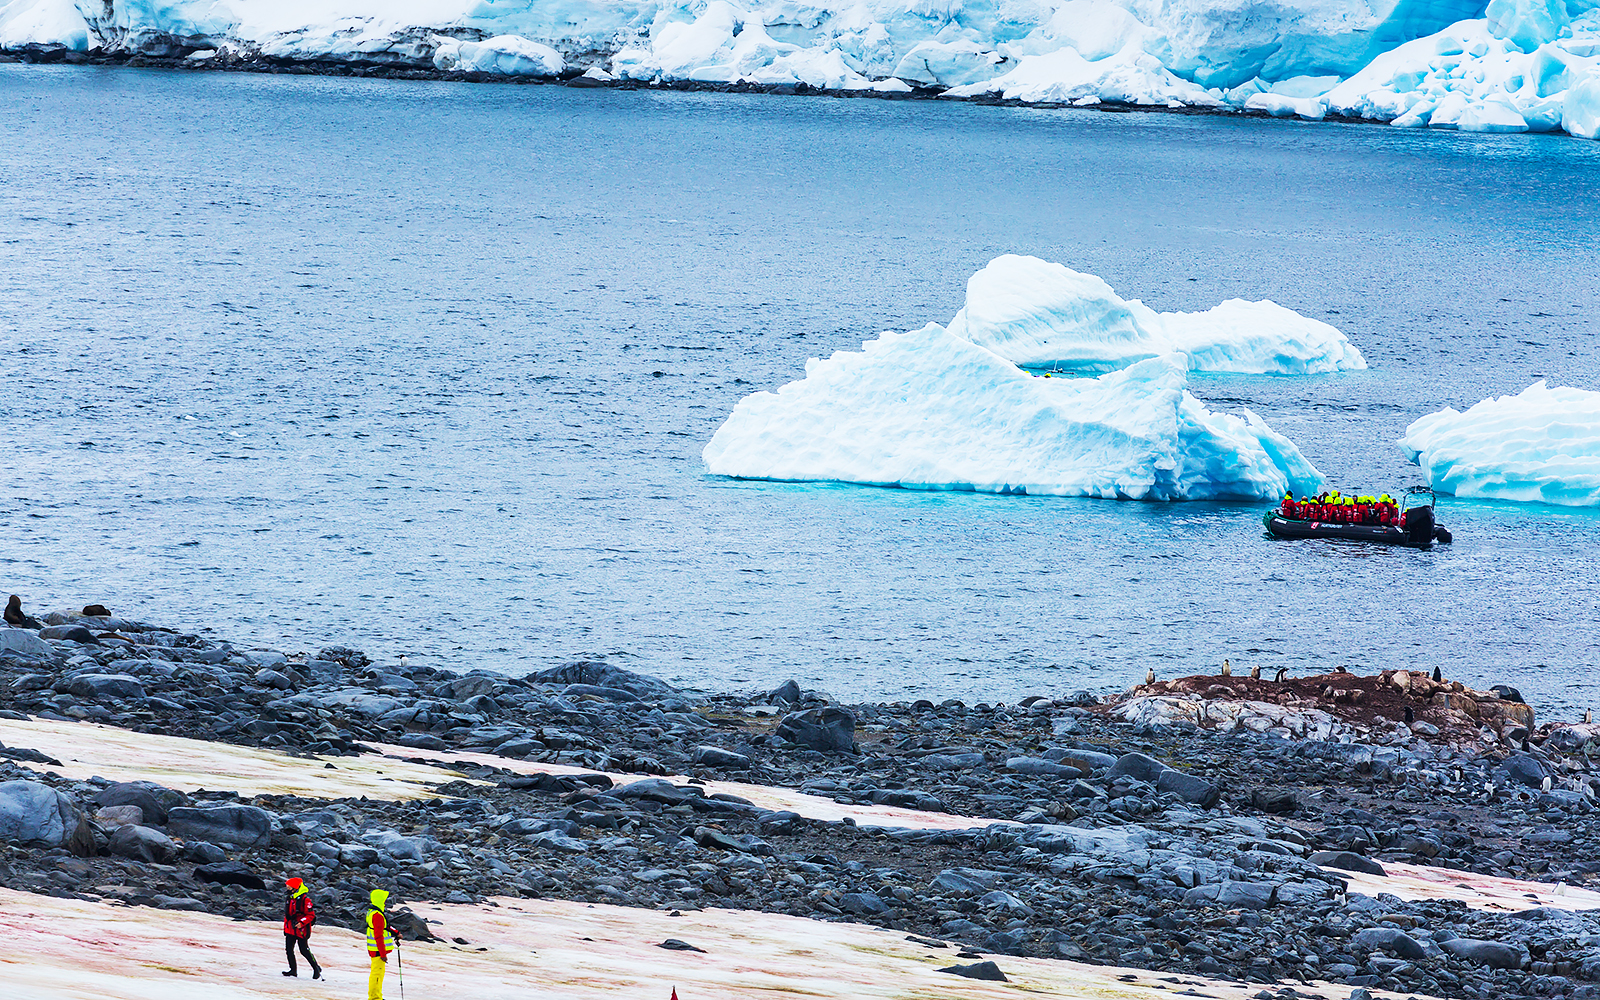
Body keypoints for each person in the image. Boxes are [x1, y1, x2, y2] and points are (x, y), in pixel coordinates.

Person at [283, 877, 322, 979]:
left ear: (295, 887)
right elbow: (288, 915)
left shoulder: (305, 900)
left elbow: (311, 915)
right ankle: (293, 970)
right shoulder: (290, 898)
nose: (287, 887)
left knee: (304, 950)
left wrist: (301, 922)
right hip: (291, 929)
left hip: (301, 929)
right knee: (289, 949)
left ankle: (316, 968)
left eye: (289, 885)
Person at [366, 888, 400, 1000]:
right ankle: (375, 998)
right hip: (377, 950)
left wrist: (396, 933)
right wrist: (383, 954)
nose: (385, 902)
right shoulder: (377, 915)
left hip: (375, 949)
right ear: (380, 900)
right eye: (384, 900)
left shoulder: (373, 912)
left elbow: (385, 926)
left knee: (378, 974)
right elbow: (378, 936)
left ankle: (376, 996)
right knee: (377, 975)